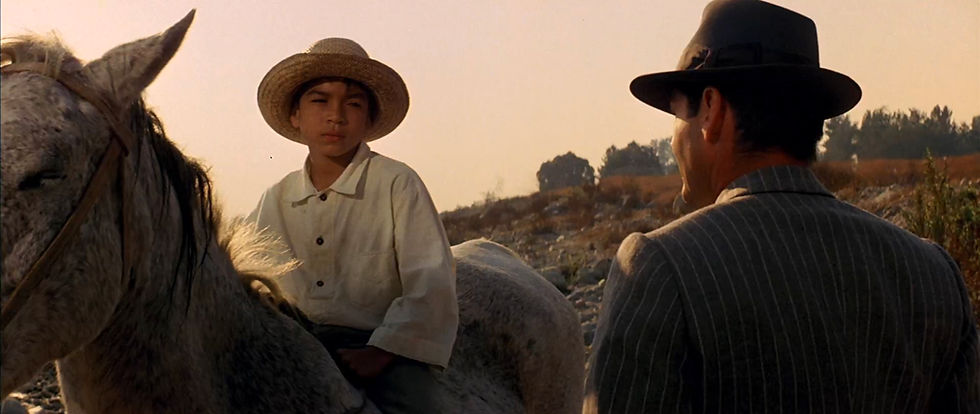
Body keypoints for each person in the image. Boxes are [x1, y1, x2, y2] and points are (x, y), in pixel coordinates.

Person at [585, 1, 979, 413]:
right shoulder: (933, 273)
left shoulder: (659, 267)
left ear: (712, 109)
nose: (673, 138)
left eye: (676, 112)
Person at [248, 37, 457, 414]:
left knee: (423, 406)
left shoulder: (397, 183)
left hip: (380, 349)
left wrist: (380, 352)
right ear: (296, 115)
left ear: (369, 119)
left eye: (353, 103)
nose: (336, 116)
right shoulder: (274, 200)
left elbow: (431, 280)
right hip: (296, 347)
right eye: (320, 100)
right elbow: (254, 285)